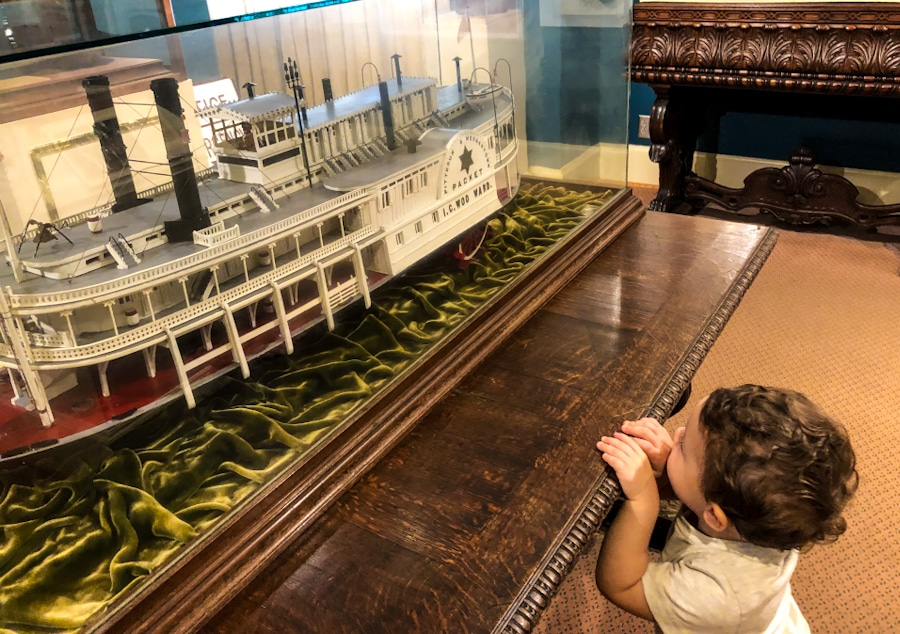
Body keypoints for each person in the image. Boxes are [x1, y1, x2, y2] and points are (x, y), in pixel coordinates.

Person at [595, 384, 858, 633]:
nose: (675, 434)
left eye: (683, 445)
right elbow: (697, 497)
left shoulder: (718, 594)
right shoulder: (754, 518)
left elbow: (621, 586)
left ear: (714, 516)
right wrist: (674, 470)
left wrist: (643, 499)